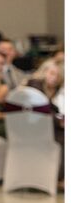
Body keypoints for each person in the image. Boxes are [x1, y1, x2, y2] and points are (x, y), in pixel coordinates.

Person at [26, 58, 64, 187]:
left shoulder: (47, 90)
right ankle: (59, 179)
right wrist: (59, 122)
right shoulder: (35, 84)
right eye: (52, 73)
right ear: (44, 71)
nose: (54, 78)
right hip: (32, 130)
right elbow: (42, 110)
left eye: (57, 75)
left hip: (40, 127)